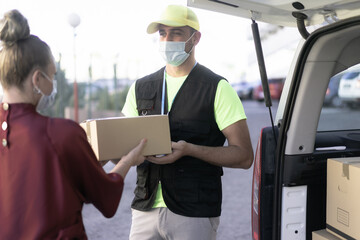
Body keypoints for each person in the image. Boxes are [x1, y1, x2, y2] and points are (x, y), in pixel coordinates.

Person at [0, 9, 147, 239]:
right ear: (37, 79)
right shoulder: (61, 134)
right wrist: (129, 160)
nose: (54, 83)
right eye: (53, 75)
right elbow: (105, 197)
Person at [121, 4, 254, 240]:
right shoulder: (140, 88)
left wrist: (189, 150)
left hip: (194, 212)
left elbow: (244, 156)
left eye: (176, 33)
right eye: (162, 33)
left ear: (195, 38)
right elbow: (123, 147)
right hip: (145, 207)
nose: (167, 40)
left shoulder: (217, 88)